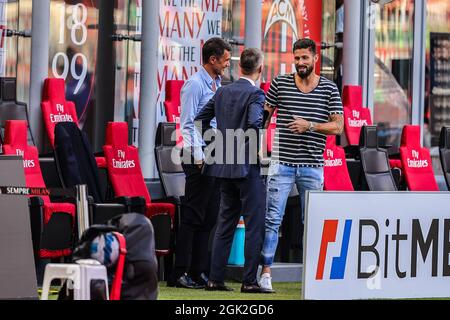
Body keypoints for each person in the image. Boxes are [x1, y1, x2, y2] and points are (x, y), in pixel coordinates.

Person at [259, 39, 344, 291]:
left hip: (312, 164)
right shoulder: (280, 83)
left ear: (315, 59)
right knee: (273, 218)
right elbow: (263, 117)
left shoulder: (329, 89)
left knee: (313, 221)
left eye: (304, 58)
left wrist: (309, 125)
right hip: (281, 162)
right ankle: (265, 273)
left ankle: (314, 276)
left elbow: (338, 126)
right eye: (296, 58)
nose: (300, 63)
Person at [195, 48, 273, 294]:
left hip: (224, 166)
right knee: (254, 225)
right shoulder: (256, 94)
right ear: (260, 69)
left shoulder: (222, 92)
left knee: (225, 223)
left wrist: (215, 145)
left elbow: (200, 119)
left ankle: (214, 279)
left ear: (240, 68)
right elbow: (253, 124)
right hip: (247, 167)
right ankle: (249, 281)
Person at [167, 38, 232, 289]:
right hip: (196, 155)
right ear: (212, 60)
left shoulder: (217, 84)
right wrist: (198, 156)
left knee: (209, 216)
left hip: (213, 152)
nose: (227, 64)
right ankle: (179, 273)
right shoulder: (194, 85)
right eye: (225, 60)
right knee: (193, 215)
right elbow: (186, 123)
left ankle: (198, 271)